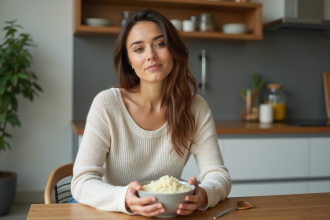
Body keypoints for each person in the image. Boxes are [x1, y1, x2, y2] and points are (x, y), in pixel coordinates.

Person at [70, 9, 231, 217]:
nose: (151, 55)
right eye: (138, 49)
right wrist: (124, 199)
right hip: (113, 214)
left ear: (173, 49)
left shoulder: (195, 107)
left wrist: (204, 194)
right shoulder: (107, 104)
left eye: (160, 44)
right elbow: (82, 182)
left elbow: (219, 175)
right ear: (129, 60)